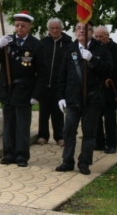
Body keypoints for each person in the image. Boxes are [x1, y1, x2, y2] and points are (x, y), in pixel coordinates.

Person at [0, 11, 47, 167]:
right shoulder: (7, 41)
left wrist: (36, 94)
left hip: (25, 90)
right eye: (17, 25)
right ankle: (8, 154)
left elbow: (42, 73)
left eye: (23, 25)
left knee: (22, 125)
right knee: (8, 124)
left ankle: (22, 156)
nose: (19, 28)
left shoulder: (36, 45)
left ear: (29, 26)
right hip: (7, 89)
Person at [56, 21, 112, 175]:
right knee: (69, 130)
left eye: (85, 28)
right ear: (75, 31)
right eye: (79, 28)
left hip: (93, 99)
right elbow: (62, 75)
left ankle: (84, 162)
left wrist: (93, 59)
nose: (81, 31)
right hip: (73, 98)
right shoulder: (70, 49)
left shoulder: (100, 49)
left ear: (91, 31)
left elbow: (109, 69)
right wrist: (61, 97)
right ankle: (67, 161)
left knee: (89, 132)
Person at [93, 25, 117, 154]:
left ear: (107, 36)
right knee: (96, 118)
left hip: (112, 89)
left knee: (110, 119)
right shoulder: (93, 49)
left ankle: (112, 144)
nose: (98, 39)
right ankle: (99, 143)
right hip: (96, 90)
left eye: (101, 36)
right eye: (96, 36)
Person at [37, 18, 71, 147]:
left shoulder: (68, 44)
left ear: (62, 29)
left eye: (57, 28)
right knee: (43, 112)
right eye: (52, 28)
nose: (54, 30)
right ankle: (43, 135)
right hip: (44, 83)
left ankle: (60, 136)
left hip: (59, 84)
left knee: (58, 112)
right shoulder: (42, 43)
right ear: (48, 30)